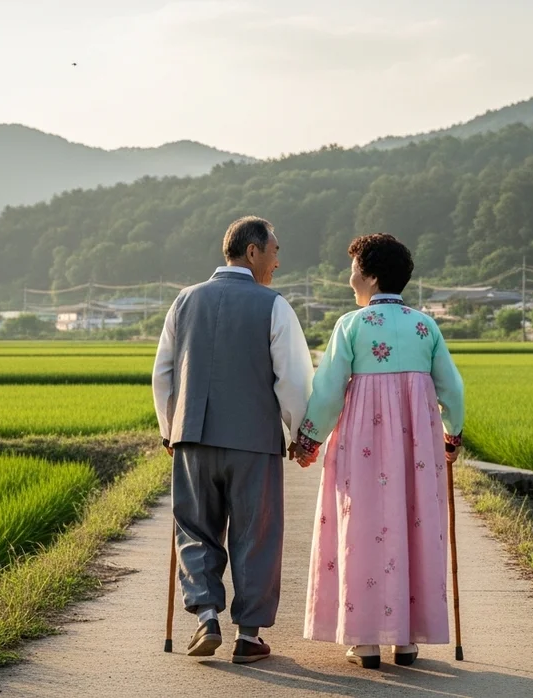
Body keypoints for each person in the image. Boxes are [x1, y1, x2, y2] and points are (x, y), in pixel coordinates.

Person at [292, 233, 465, 669]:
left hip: (362, 445)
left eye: (353, 268)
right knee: (414, 523)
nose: (349, 277)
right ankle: (406, 641)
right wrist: (452, 434)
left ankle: (365, 641)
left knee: (362, 527)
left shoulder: (351, 326)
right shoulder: (425, 325)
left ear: (369, 275)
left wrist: (309, 439)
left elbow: (329, 391)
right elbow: (453, 389)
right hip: (416, 447)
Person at [152, 216, 314, 664]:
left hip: (192, 438)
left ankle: (205, 615)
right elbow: (294, 381)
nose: (278, 261)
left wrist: (170, 428)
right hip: (252, 441)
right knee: (255, 533)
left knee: (194, 527)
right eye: (275, 251)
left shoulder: (183, 302)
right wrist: (301, 435)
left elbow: (163, 373)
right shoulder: (273, 306)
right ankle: (247, 635)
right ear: (252, 252)